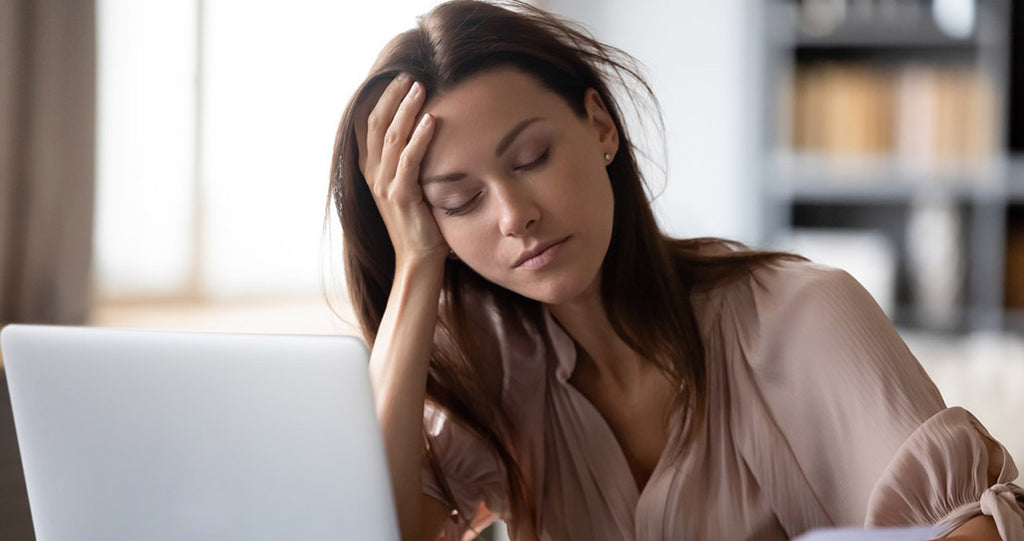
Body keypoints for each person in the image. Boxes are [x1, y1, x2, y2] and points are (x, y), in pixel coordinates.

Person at [327, 1, 1024, 539]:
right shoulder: (496, 364)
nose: (514, 215)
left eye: (532, 157)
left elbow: (973, 529)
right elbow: (371, 528)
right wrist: (417, 266)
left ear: (600, 125)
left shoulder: (804, 316)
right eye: (460, 200)